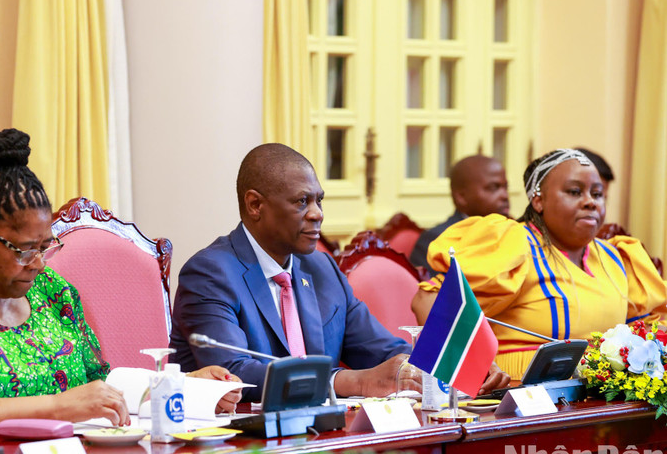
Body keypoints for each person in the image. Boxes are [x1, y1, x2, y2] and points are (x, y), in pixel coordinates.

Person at [0, 129, 240, 427]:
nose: (37, 263)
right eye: (22, 249)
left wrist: (182, 387)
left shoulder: (52, 291)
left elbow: (99, 386)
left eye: (46, 247)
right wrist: (57, 406)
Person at [169, 143, 509, 402]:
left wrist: (455, 364)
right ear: (256, 205)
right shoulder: (210, 273)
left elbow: (382, 348)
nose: (317, 214)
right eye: (302, 202)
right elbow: (234, 375)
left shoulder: (320, 267)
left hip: (322, 436)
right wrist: (351, 381)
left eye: (319, 200)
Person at [412, 149, 667, 379]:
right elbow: (428, 300)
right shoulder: (512, 245)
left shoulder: (617, 257)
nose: (591, 201)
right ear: (538, 200)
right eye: (575, 192)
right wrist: (473, 365)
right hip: (514, 399)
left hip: (599, 401)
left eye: (597, 194)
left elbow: (650, 332)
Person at [410, 155, 509, 276]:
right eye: (494, 188)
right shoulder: (436, 240)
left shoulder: (514, 232)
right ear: (461, 197)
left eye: (505, 187)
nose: (505, 195)